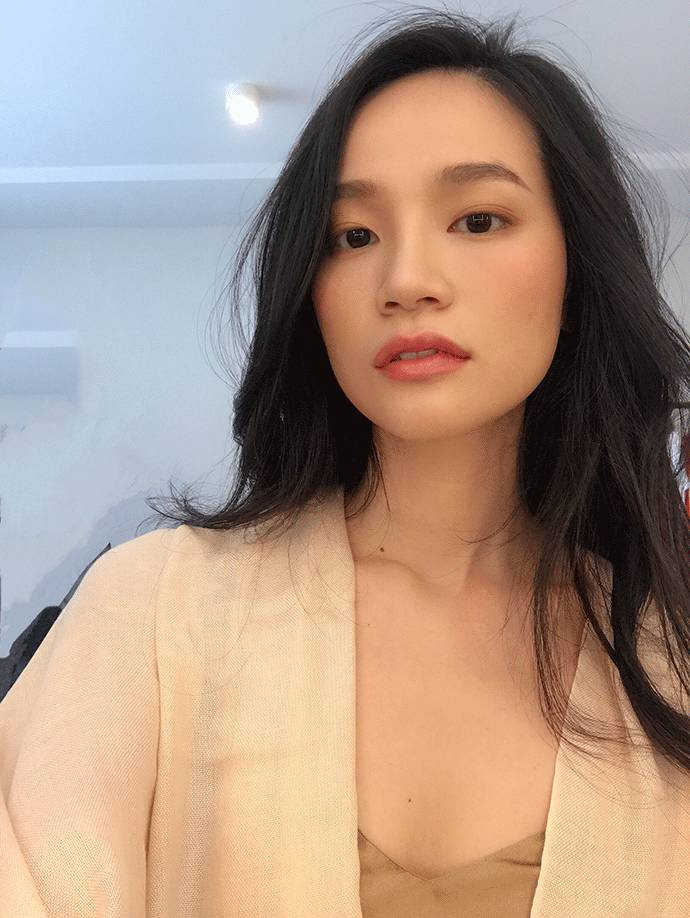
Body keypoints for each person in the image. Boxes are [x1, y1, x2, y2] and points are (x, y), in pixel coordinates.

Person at [1, 8, 688, 917]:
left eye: (478, 219)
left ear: (578, 264)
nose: (405, 280)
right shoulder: (154, 613)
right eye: (352, 236)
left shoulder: (668, 656)